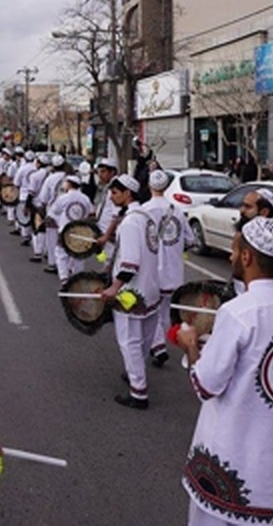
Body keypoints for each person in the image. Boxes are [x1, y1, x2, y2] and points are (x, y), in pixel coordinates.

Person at [180, 217, 273, 526]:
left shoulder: (238, 312)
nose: (230, 256)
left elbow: (206, 385)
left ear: (246, 257)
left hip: (233, 461)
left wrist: (190, 344)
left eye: (233, 249)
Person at [102, 174, 160, 409]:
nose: (111, 196)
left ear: (128, 194)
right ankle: (136, 373)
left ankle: (138, 392)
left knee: (129, 341)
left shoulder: (130, 222)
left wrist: (113, 288)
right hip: (151, 288)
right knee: (144, 340)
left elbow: (130, 263)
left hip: (131, 292)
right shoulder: (146, 216)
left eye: (115, 192)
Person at [143, 169, 195, 367]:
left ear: (149, 186)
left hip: (151, 272)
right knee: (165, 313)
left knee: (149, 311)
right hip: (173, 272)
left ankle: (157, 346)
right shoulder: (178, 211)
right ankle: (160, 343)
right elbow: (189, 240)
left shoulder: (143, 210)